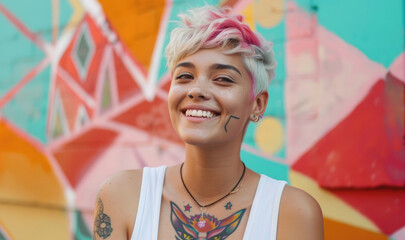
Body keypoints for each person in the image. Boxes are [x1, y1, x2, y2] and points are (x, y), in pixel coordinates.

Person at [93, 5, 324, 240]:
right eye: (185, 76)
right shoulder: (121, 196)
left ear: (258, 104)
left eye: (223, 79)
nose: (196, 90)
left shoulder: (294, 214)